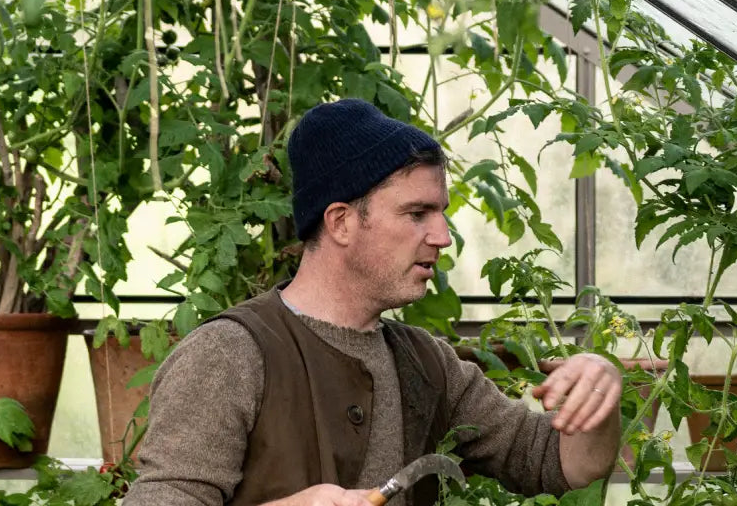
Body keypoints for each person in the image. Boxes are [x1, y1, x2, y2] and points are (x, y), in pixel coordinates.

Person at [120, 99, 623, 506]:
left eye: (441, 213)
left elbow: (557, 463)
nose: (443, 236)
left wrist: (599, 393)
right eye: (417, 213)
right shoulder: (229, 354)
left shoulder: (427, 362)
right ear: (341, 222)